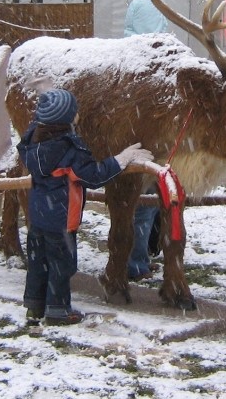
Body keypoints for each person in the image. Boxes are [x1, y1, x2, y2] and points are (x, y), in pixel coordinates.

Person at [19, 88, 154, 325]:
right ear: (67, 119)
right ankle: (58, 311)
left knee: (38, 264)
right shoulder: (67, 150)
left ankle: (34, 306)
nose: (78, 115)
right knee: (62, 266)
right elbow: (93, 176)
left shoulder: (33, 142)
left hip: (38, 217)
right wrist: (121, 159)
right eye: (75, 112)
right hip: (62, 219)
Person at [123, 0, 168, 280]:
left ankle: (139, 257)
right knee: (143, 204)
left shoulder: (126, 52)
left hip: (134, 143)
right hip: (140, 145)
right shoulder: (144, 58)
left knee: (141, 205)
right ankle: (134, 263)